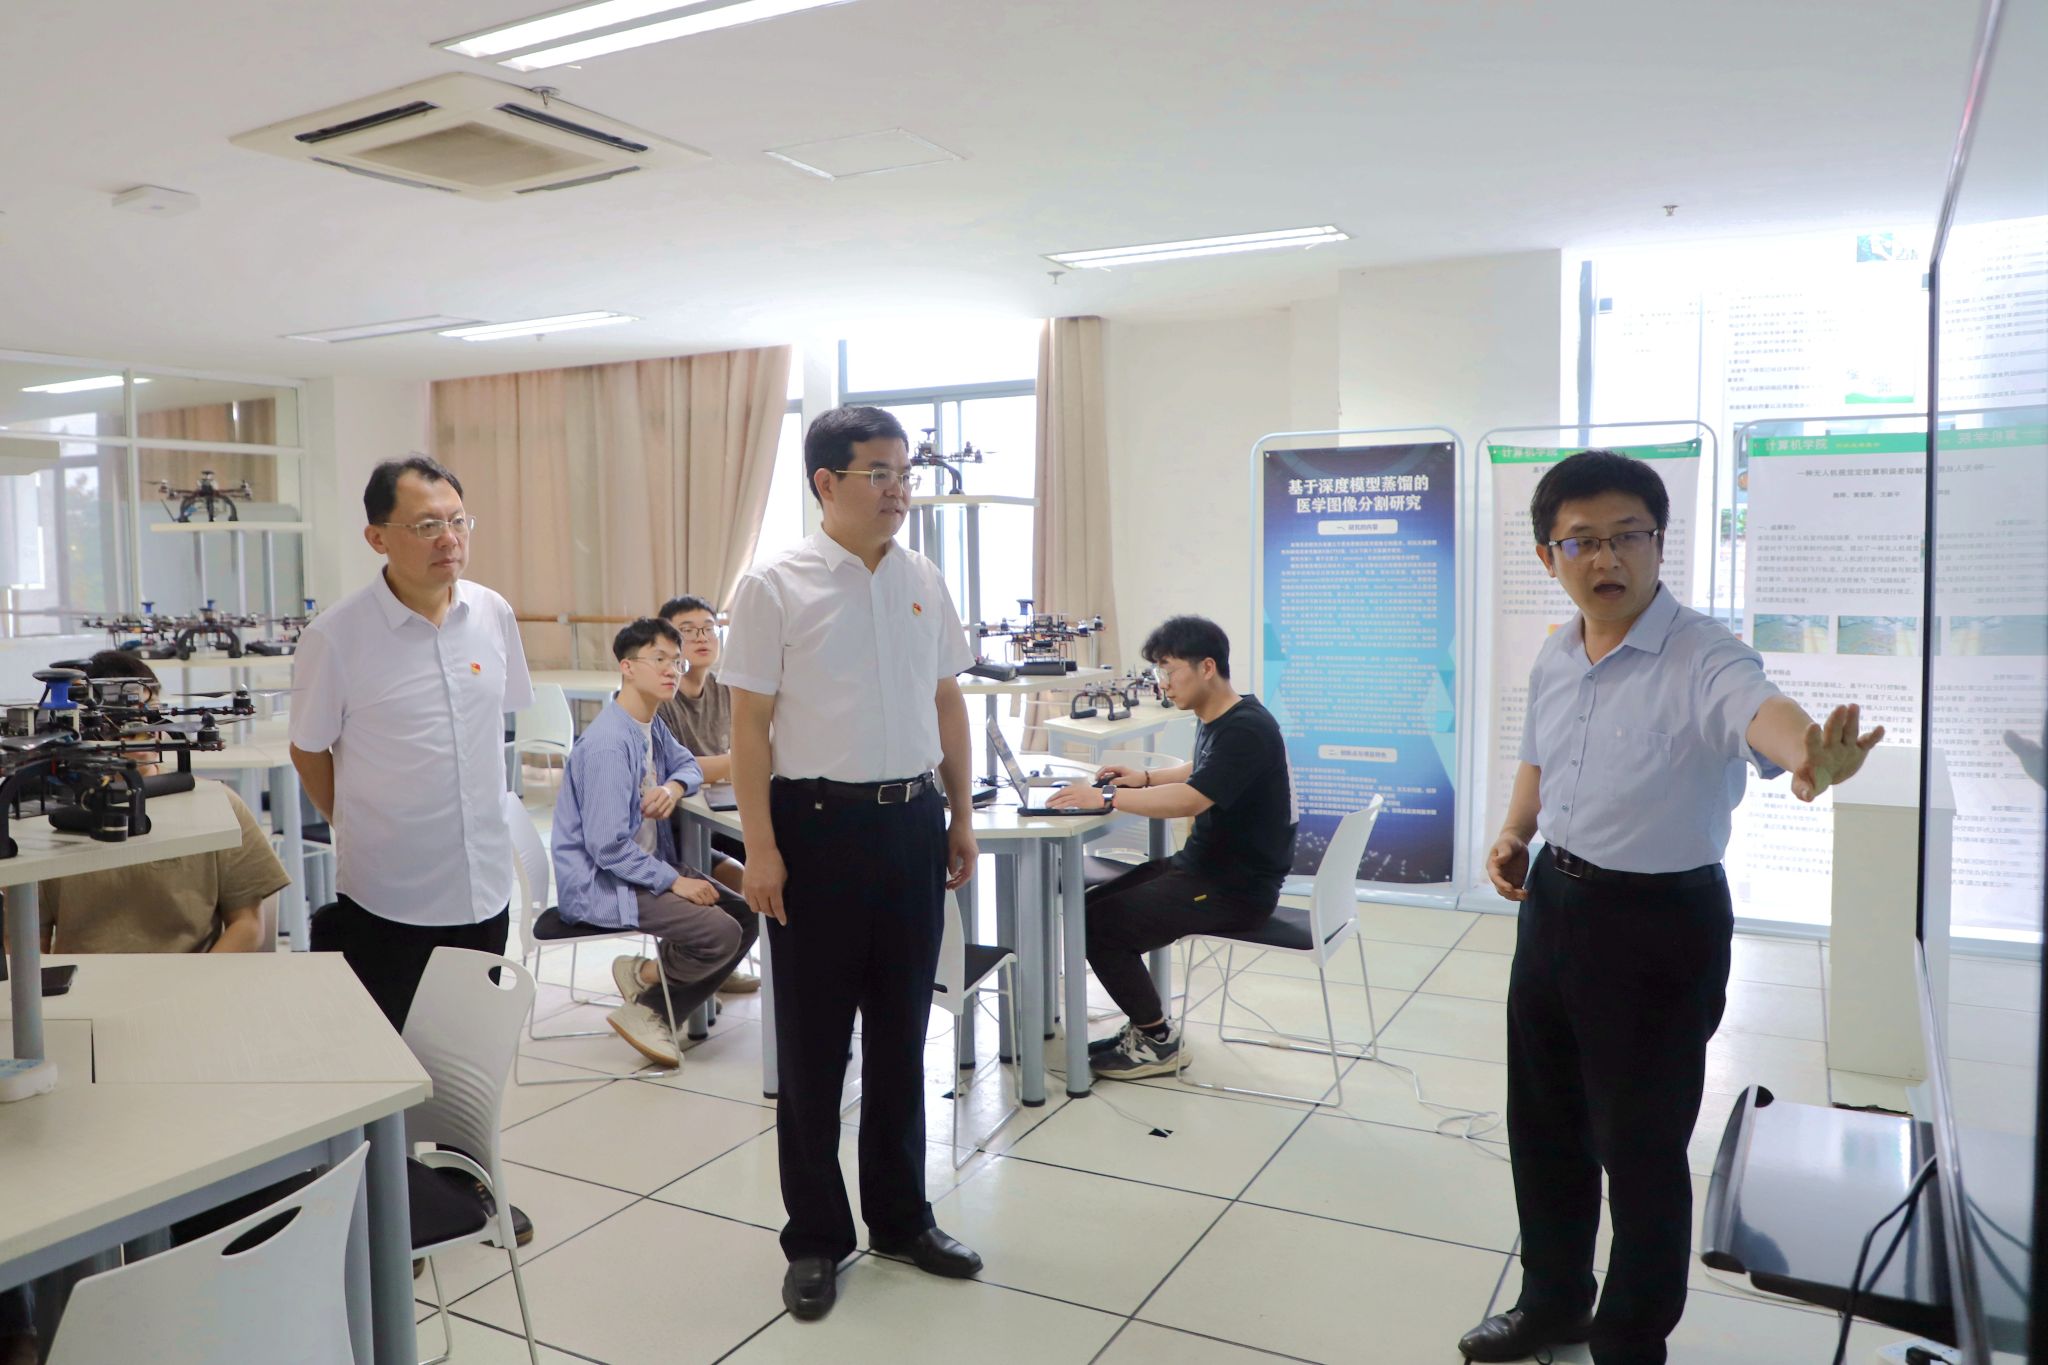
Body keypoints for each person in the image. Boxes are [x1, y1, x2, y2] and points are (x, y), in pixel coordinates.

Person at [1456, 450, 1883, 1365]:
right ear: (1549, 556)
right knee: (1544, 1121)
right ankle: (1553, 1301)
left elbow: (1760, 710)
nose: (1607, 558)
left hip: (1658, 926)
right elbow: (1539, 754)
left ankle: (1629, 1341)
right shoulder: (1558, 651)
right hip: (1553, 902)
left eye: (1628, 536)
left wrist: (1809, 753)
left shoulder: (1703, 652)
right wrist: (1515, 831)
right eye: (1583, 541)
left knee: (1640, 1148)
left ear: (1659, 542)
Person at [722, 405, 983, 1323]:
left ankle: (903, 1218)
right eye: (880, 472)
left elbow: (946, 700)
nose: (899, 489)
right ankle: (816, 1237)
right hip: (816, 830)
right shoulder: (775, 586)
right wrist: (760, 847)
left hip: (911, 822)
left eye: (905, 472)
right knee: (814, 1048)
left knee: (904, 1033)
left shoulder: (922, 578)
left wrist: (958, 812)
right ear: (826, 482)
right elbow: (748, 727)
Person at [289, 453, 533, 1031]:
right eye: (427, 525)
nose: (449, 538)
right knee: (392, 1060)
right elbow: (308, 749)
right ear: (377, 537)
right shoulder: (336, 637)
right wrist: (352, 822)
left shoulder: (492, 613)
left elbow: (496, 721)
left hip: (484, 889)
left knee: (468, 1053)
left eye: (458, 521)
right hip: (389, 897)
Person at [1046, 615, 1297, 1078]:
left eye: (1169, 670)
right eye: (1159, 671)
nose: (1162, 683)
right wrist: (1143, 777)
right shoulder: (1228, 716)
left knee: (1099, 927)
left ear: (1207, 667)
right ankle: (1148, 1028)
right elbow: (1199, 768)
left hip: (1234, 890)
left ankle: (1157, 1040)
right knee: (1088, 911)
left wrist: (1106, 797)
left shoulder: (1246, 730)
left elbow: (1191, 798)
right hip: (1204, 869)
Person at [550, 616, 758, 1067]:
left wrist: (673, 787)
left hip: (642, 865)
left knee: (744, 914)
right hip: (606, 881)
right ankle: (651, 1007)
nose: (671, 670)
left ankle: (648, 991)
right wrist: (674, 881)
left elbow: (688, 765)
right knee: (721, 931)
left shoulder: (648, 723)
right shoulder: (609, 745)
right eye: (659, 659)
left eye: (676, 661)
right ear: (627, 667)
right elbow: (608, 849)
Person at [39, 651, 289, 955]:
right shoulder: (42, 821)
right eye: (120, 717)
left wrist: (196, 979)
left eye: (151, 713)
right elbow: (25, 940)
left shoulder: (219, 806)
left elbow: (248, 925)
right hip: (87, 980)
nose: (142, 726)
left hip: (192, 976)